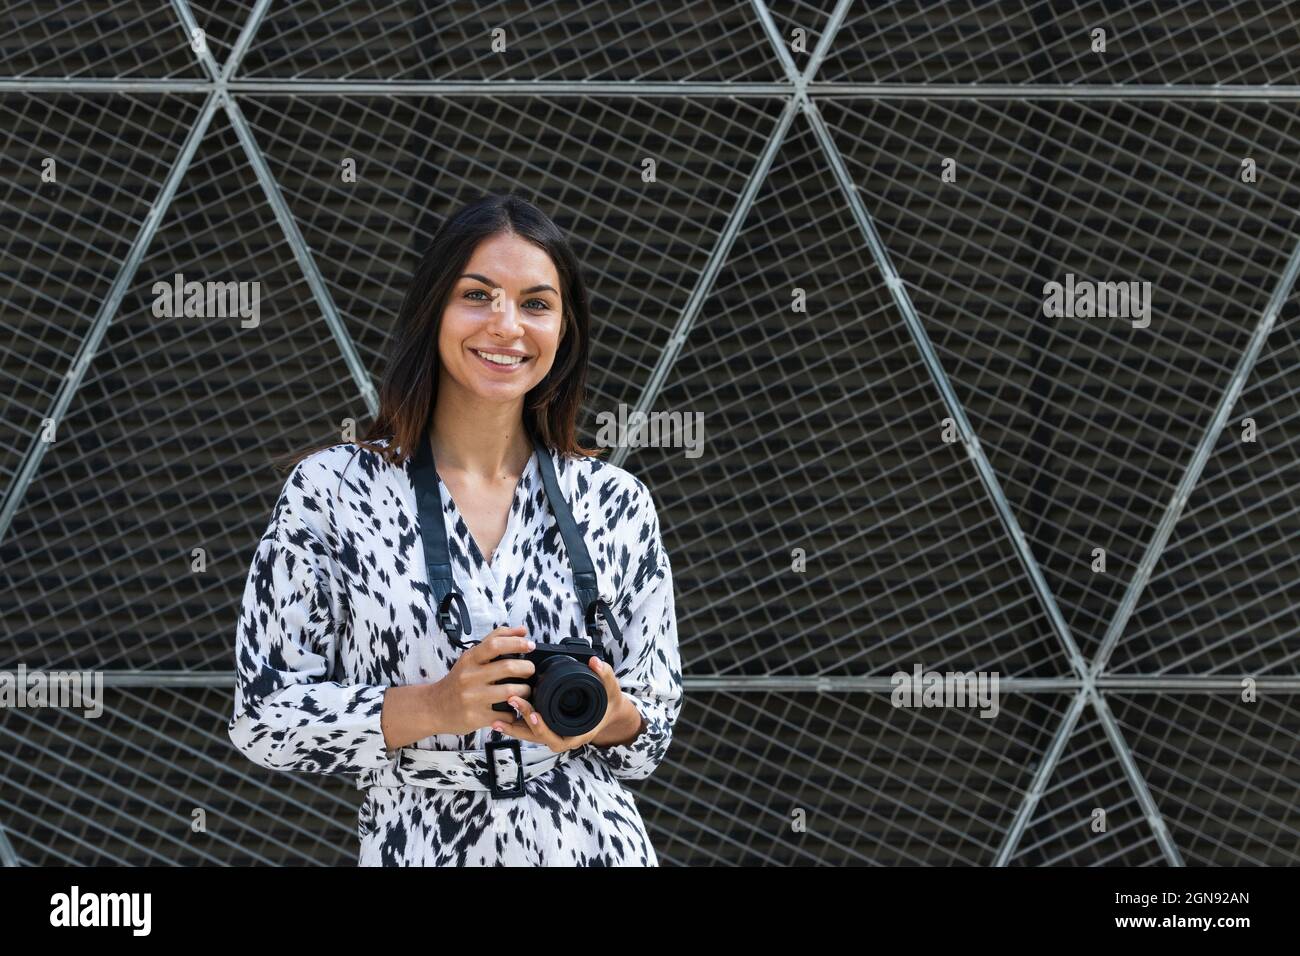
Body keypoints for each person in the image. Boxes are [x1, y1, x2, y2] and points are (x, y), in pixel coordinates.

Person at [227, 193, 683, 866]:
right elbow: (262, 718)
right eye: (478, 295)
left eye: (535, 304)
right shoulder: (333, 491)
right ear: (433, 311)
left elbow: (652, 732)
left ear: (564, 330)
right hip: (418, 843)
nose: (507, 326)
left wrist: (608, 712)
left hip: (595, 842)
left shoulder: (614, 502)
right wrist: (436, 706)